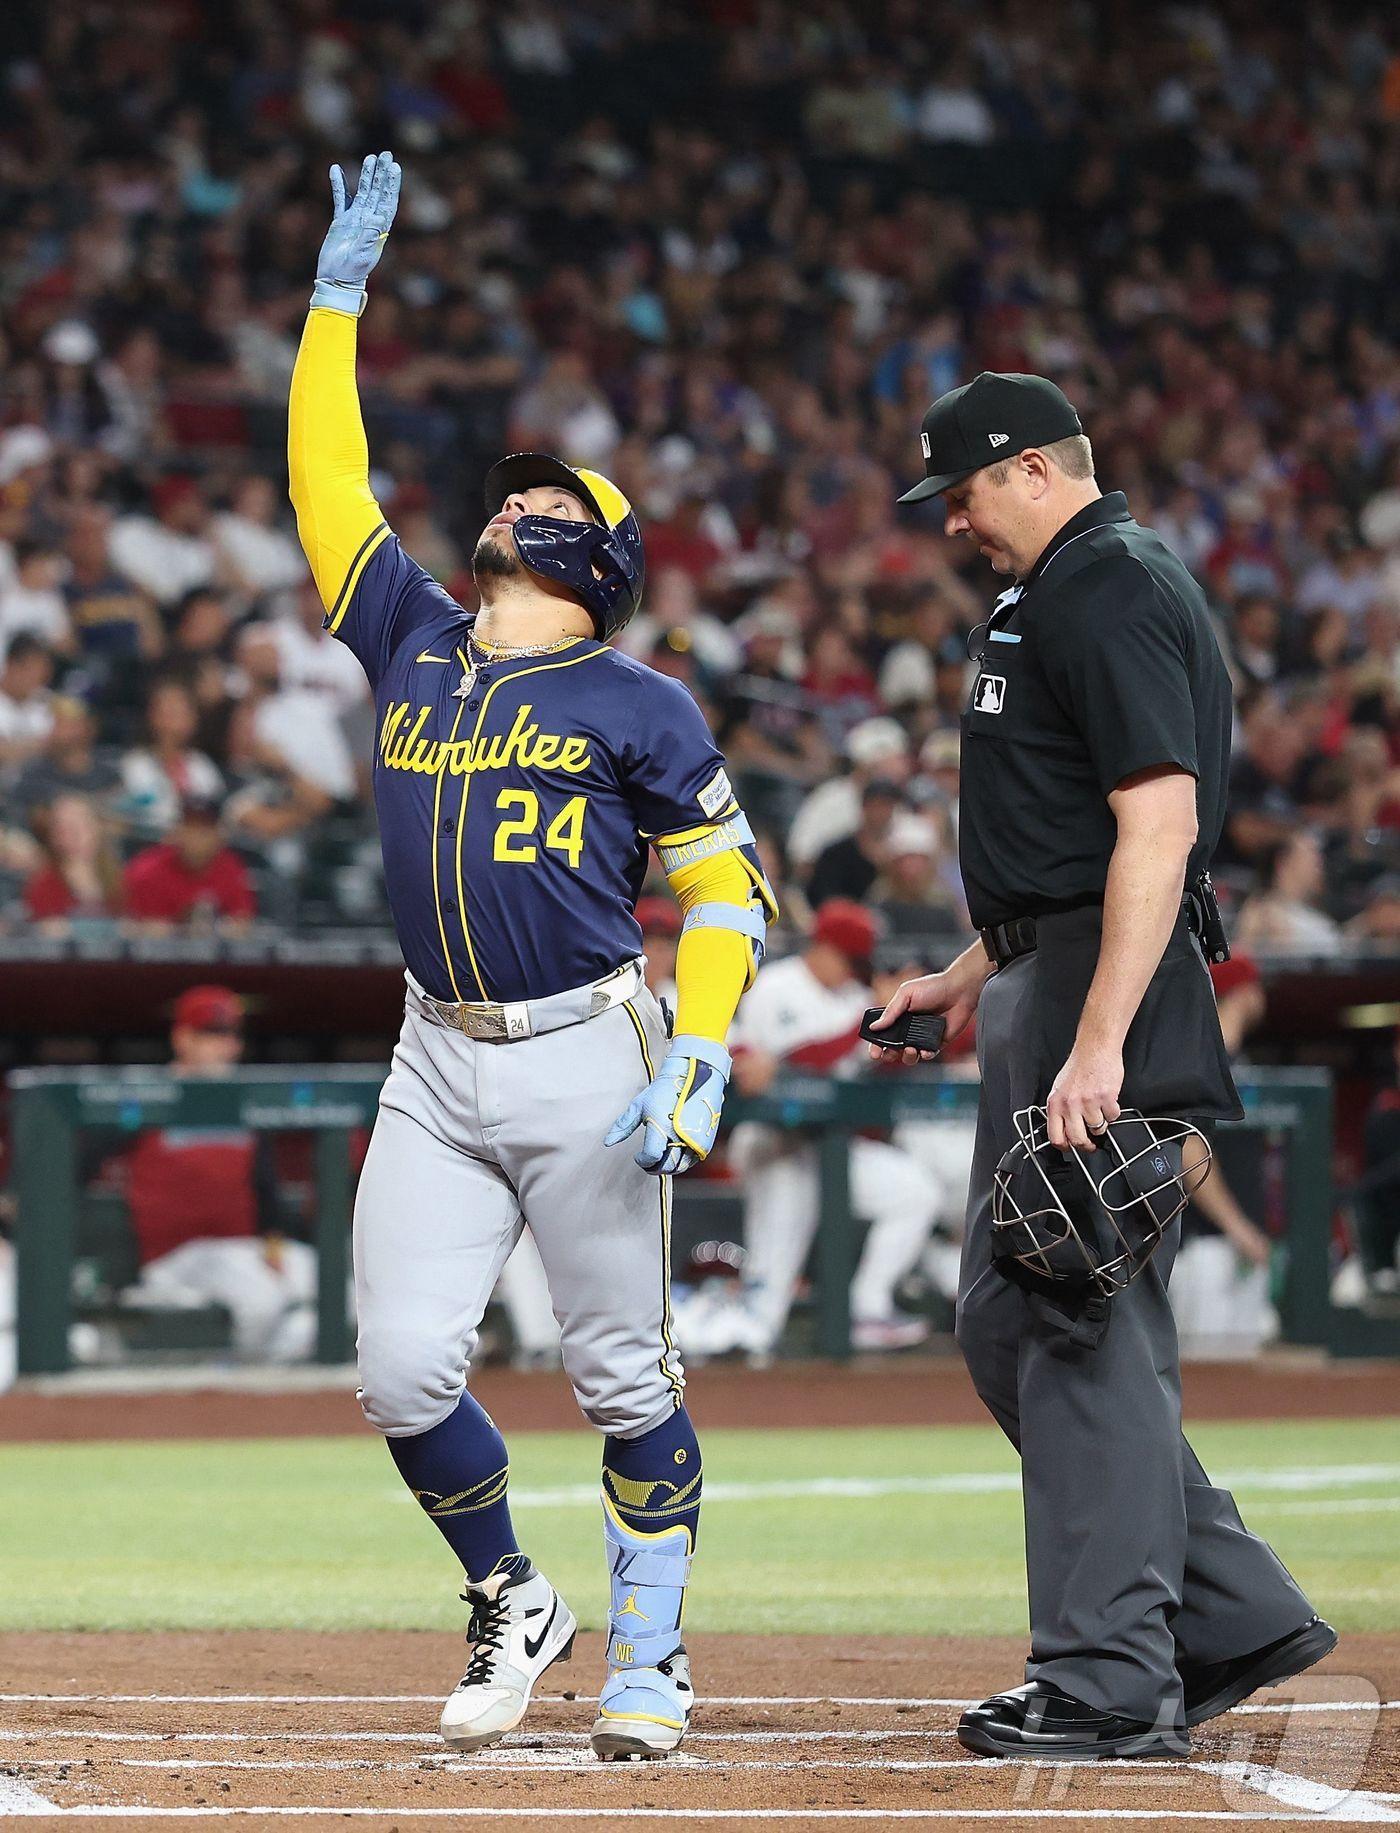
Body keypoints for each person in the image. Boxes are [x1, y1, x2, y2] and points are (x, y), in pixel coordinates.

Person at [288, 153, 775, 1762]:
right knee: (399, 1367)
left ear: (599, 565)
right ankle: (514, 1590)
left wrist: (703, 1044)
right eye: (515, 497)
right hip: (436, 1050)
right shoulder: (414, 635)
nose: (516, 504)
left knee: (624, 1373)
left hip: (585, 1048)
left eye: (551, 506)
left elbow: (729, 894)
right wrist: (334, 304)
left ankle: (651, 1653)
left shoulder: (644, 702)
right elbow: (324, 489)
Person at [873, 371, 1332, 1759]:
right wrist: (964, 978)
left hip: (1100, 990)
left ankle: (1111, 1679)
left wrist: (1098, 1038)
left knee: (1083, 1327)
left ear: (1027, 468)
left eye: (961, 493)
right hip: (1047, 968)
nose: (952, 524)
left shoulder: (1113, 584)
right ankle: (1230, 1609)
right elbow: (1067, 840)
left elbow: (1158, 827)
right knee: (1019, 1325)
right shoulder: (1060, 586)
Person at [712, 899, 939, 1356]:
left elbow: (873, 1071)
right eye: (849, 959)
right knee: (771, 1279)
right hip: (774, 1144)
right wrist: (866, 1021)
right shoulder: (776, 987)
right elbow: (790, 1063)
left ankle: (867, 1307)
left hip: (832, 1148)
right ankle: (739, 1345)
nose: (853, 970)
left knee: (913, 1191)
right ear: (824, 947)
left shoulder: (855, 998)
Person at [117, 986, 317, 1361]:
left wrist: (272, 1248)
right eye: (211, 1034)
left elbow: (266, 1194)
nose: (224, 1046)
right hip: (176, 1256)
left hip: (240, 1251)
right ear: (182, 1038)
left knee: (333, 1285)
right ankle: (235, 1387)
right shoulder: (146, 1096)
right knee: (262, 1298)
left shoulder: (242, 1102)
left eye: (230, 1035)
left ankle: (265, 1387)